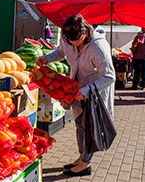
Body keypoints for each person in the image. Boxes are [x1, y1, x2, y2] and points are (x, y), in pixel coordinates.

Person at [35, 14, 115, 177]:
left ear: (86, 32)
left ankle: (86, 164)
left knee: (91, 128)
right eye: (71, 42)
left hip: (94, 92)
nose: (74, 44)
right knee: (80, 125)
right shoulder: (67, 38)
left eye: (77, 41)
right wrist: (47, 59)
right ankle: (81, 157)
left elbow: (109, 76)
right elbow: (60, 53)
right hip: (75, 89)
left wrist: (87, 91)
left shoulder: (98, 46)